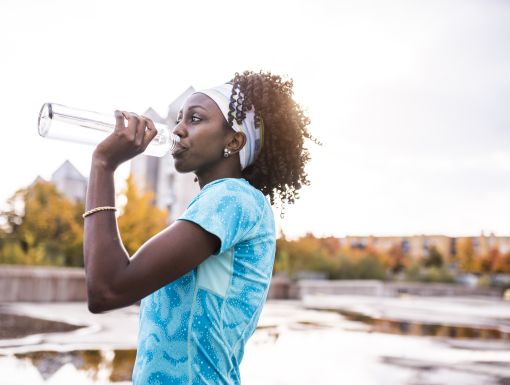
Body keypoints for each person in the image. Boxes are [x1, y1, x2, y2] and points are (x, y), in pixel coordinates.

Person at [83, 70, 316, 384]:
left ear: (234, 140)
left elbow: (107, 289)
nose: (178, 129)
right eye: (179, 118)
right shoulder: (221, 203)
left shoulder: (232, 198)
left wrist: (103, 165)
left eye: (194, 118)